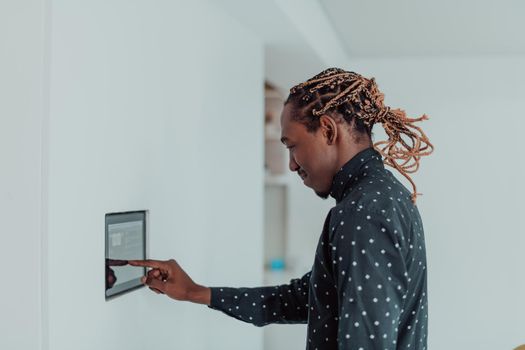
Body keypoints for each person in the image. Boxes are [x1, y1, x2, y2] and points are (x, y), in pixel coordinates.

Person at [129, 67, 433, 349]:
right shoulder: (384, 196)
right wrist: (195, 292)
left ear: (328, 131)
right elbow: (307, 297)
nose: (290, 164)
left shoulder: (363, 211)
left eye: (292, 146)